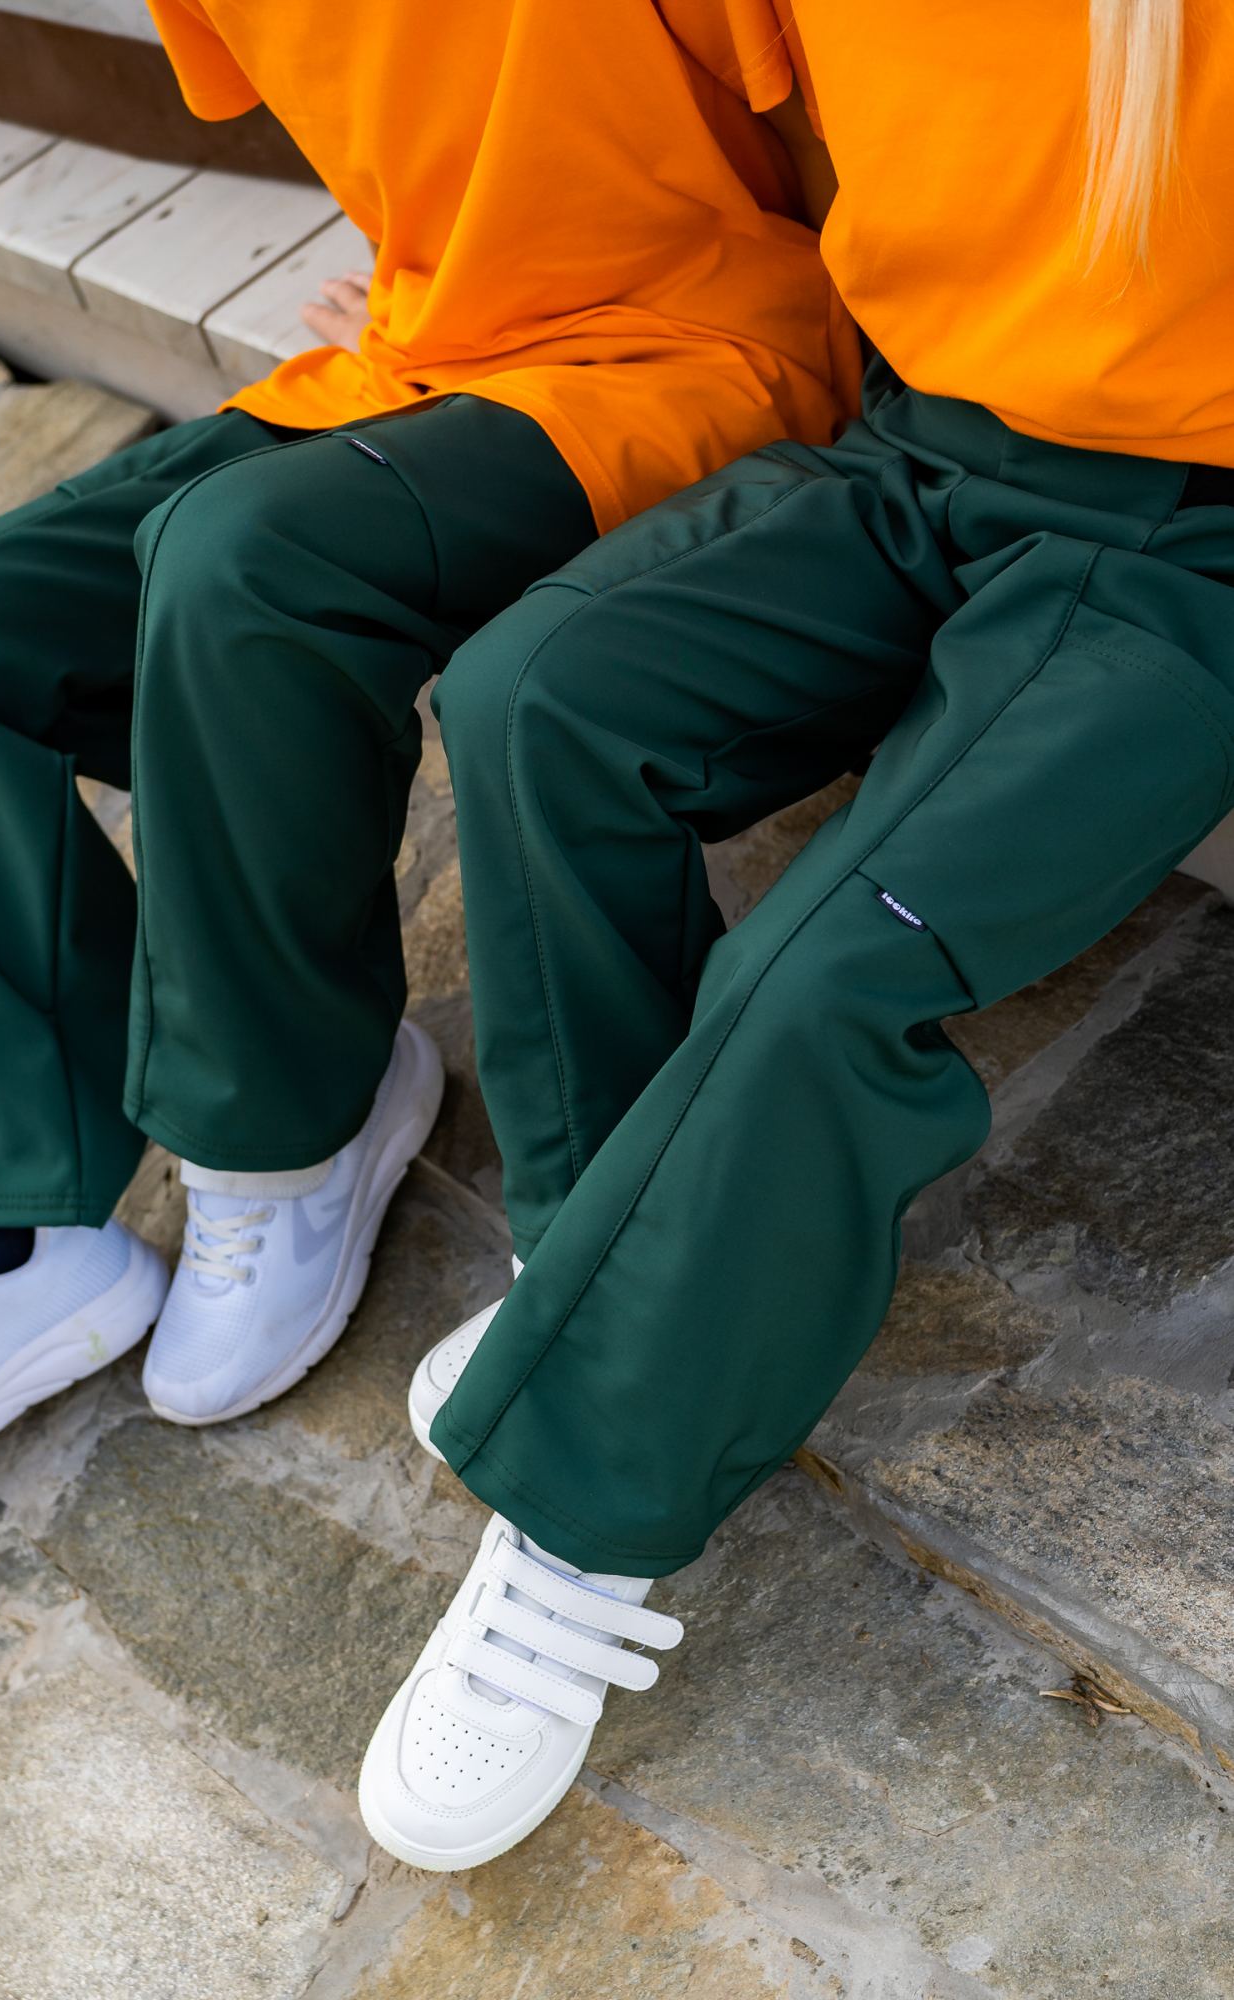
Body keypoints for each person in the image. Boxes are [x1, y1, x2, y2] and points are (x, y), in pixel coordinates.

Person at [0, 0, 855, 1538]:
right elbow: (414, 113)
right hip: (421, 356)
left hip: (682, 348)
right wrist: (439, 269)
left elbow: (840, 107)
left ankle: (286, 1135)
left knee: (244, 563)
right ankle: (0, 1234)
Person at [362, 0, 1234, 1870]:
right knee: (534, 695)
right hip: (920, 447)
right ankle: (600, 1277)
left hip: (1192, 536)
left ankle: (582, 1522)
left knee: (830, 960)